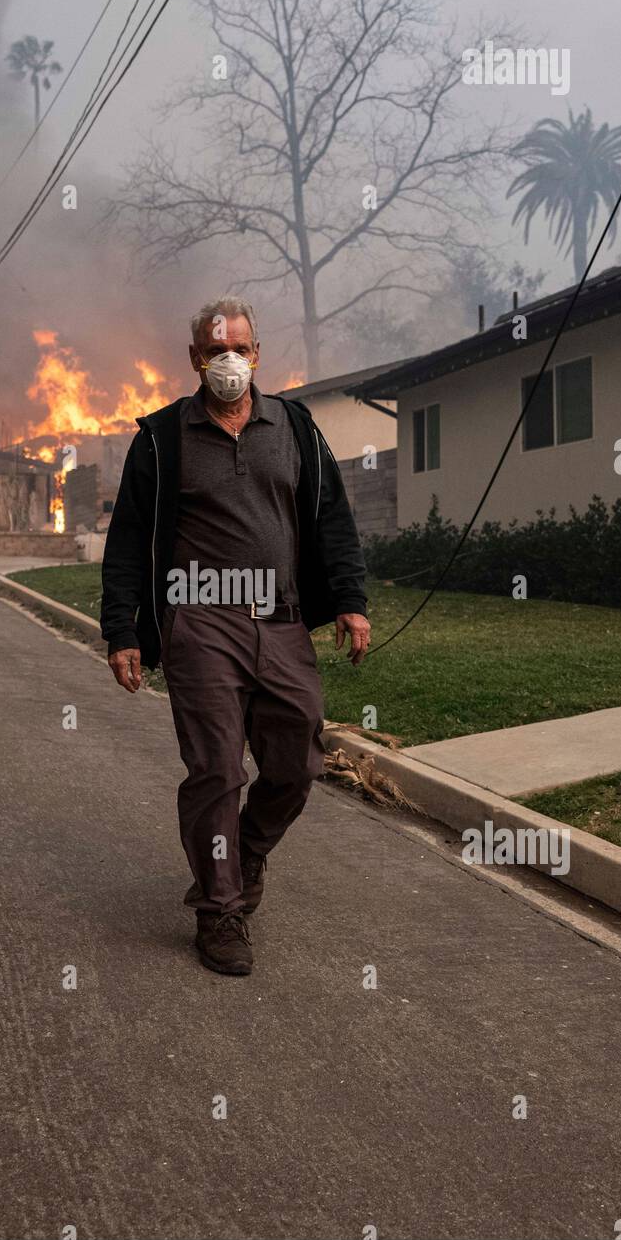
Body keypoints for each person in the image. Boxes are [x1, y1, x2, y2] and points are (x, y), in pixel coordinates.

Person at [101, 296, 370, 975]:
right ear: (195, 359)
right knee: (218, 770)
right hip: (200, 623)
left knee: (299, 764)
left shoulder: (297, 427)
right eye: (215, 349)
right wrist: (123, 629)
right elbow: (129, 541)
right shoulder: (161, 439)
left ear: (257, 353)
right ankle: (220, 911)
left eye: (240, 348)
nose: (229, 360)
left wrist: (350, 600)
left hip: (279, 621)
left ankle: (243, 853)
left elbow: (331, 517)